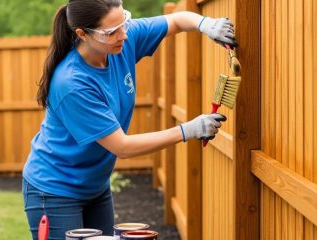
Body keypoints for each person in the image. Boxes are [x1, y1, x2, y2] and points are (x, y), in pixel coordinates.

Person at [22, 0, 238, 239]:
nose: (123, 35)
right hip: (54, 190)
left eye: (124, 22)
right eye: (111, 31)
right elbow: (121, 147)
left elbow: (176, 20)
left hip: (96, 185)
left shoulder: (121, 39)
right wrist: (189, 129)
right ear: (82, 34)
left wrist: (206, 24)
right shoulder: (72, 83)